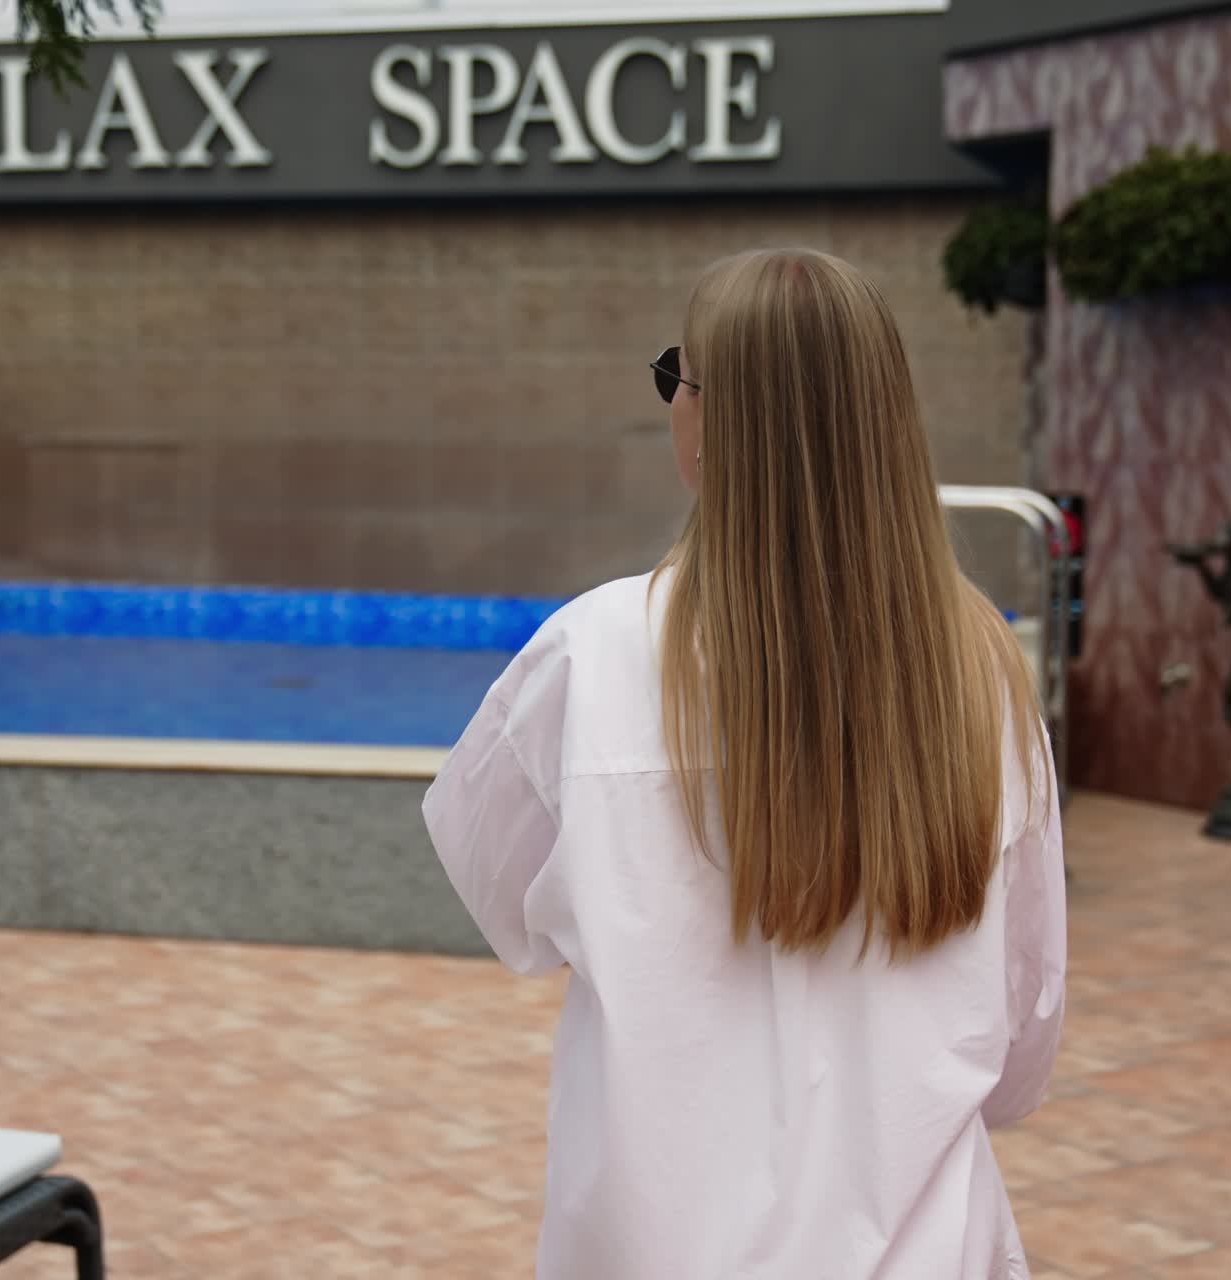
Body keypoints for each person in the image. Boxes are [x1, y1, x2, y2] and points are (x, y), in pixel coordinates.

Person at [422, 249, 1066, 1280]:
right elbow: (1022, 1033)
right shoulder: (980, 670)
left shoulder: (588, 657)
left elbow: (502, 902)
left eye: (674, 371)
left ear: (706, 421)